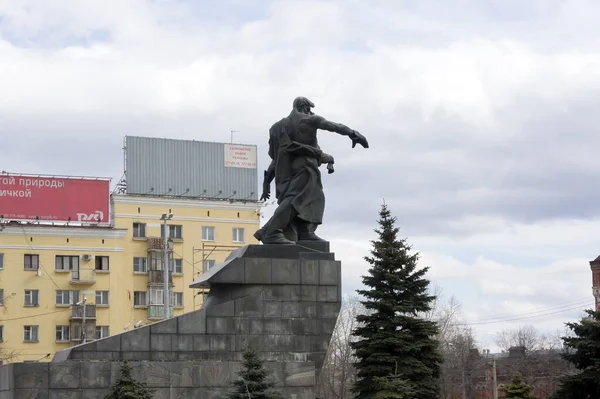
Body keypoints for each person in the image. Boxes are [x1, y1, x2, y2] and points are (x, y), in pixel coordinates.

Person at [254, 97, 368, 244]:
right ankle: (272, 232)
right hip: (306, 166)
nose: (311, 112)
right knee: (296, 200)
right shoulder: (309, 120)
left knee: (311, 198)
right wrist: (354, 134)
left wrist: (267, 182)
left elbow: (277, 157)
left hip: (288, 169)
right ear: (305, 107)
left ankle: (305, 232)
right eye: (310, 109)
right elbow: (333, 126)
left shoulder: (278, 127)